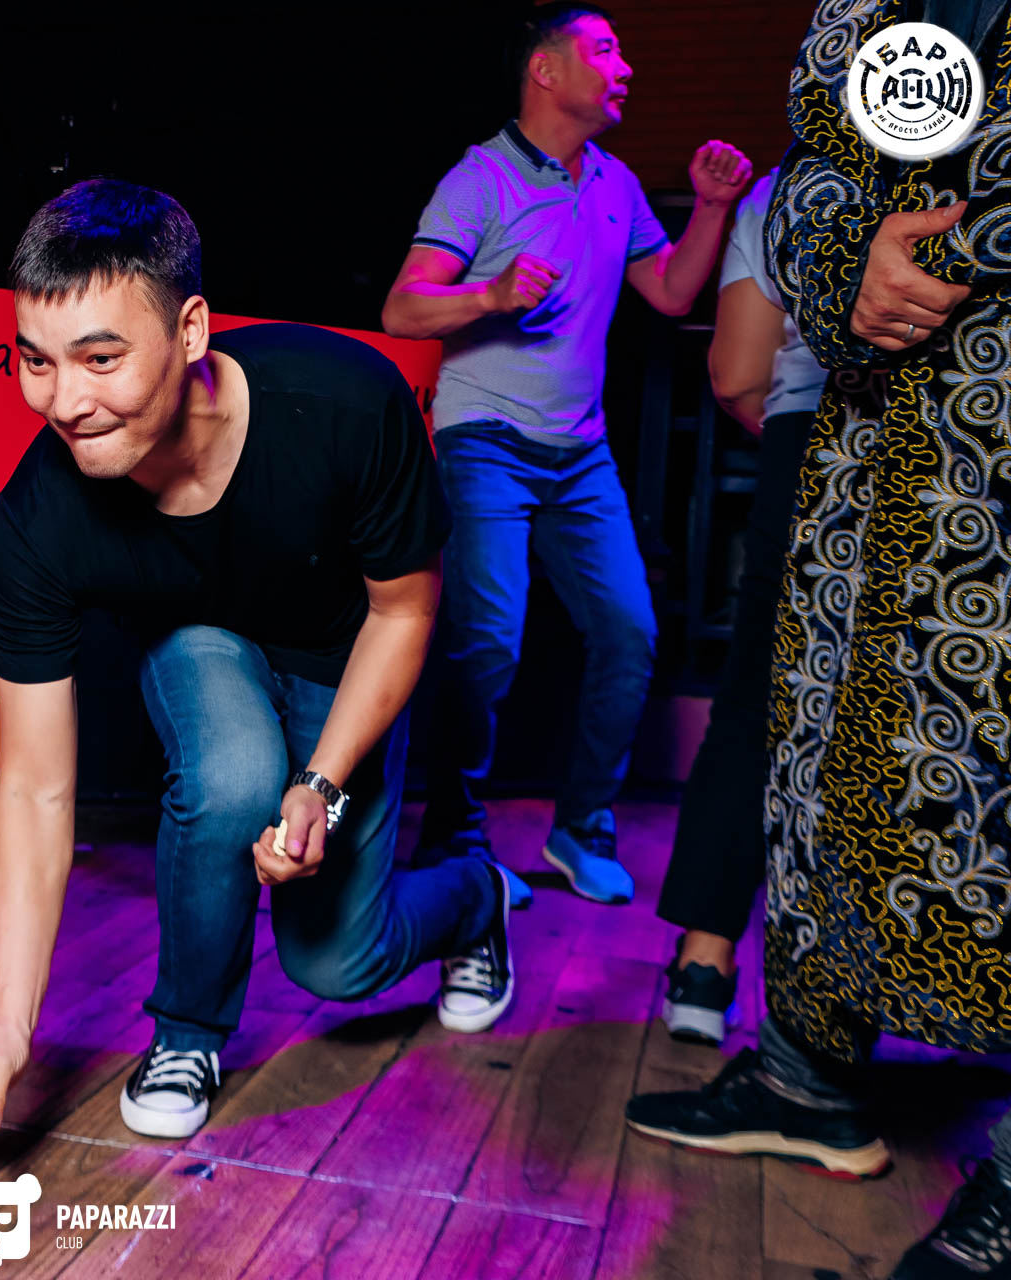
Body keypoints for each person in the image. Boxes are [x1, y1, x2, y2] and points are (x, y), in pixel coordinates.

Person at [0, 179, 513, 1169]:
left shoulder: (345, 403)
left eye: (101, 358)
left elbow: (405, 612)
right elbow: (32, 787)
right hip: (198, 632)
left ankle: (477, 897)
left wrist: (322, 782)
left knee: (338, 962)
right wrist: (7, 1026)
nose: (65, 402)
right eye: (36, 360)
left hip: (343, 651)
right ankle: (188, 1031)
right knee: (232, 775)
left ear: (190, 330)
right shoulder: (35, 523)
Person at [625, 2, 1011, 1275]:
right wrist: (845, 263)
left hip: (949, 409)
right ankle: (803, 1069)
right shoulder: (867, 22)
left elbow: (735, 363)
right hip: (864, 440)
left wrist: (958, 253)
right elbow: (821, 165)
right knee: (815, 743)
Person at [382, 2, 751, 908]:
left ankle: (582, 830)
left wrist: (712, 207)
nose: (626, 67)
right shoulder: (479, 179)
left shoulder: (614, 182)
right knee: (487, 643)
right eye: (607, 49)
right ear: (546, 71)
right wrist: (489, 294)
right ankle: (454, 838)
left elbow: (670, 292)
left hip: (580, 453)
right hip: (486, 442)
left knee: (628, 632)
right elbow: (403, 308)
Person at [650, 166, 827, 1045]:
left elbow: (735, 375)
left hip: (815, 434)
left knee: (760, 696)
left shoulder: (791, 186)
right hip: (976, 442)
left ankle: (704, 962)